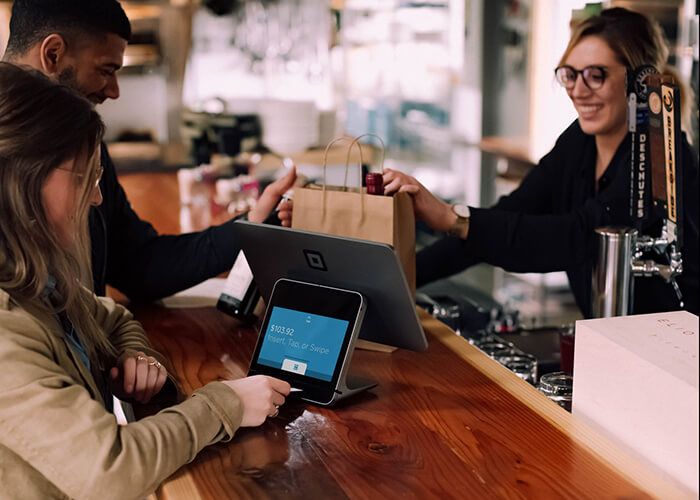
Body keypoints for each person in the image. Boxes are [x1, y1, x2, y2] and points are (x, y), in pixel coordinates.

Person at [0, 61, 291, 499]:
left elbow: (112, 316)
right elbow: (111, 471)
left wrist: (136, 355)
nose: (96, 197)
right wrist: (226, 403)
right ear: (20, 180)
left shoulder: (36, 281)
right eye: (85, 177)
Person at [382, 7, 698, 318]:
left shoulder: (659, 156)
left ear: (639, 82)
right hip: (613, 339)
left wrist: (451, 218)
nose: (578, 90)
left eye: (595, 75)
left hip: (678, 347)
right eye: (570, 75)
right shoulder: (579, 142)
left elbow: (578, 238)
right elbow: (510, 213)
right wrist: (394, 282)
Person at [1, 0, 296, 302]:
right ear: (53, 54)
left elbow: (138, 264)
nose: (114, 91)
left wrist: (252, 227)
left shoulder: (88, 150)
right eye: (106, 70)